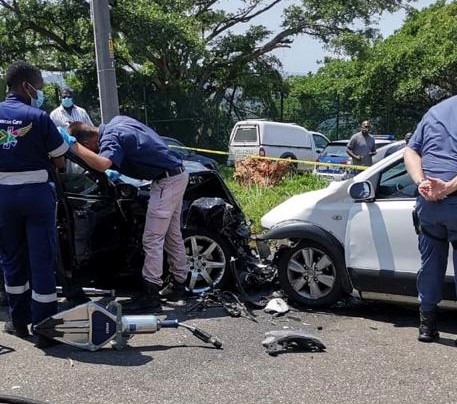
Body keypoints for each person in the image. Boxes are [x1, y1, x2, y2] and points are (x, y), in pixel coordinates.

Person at [67, 117, 189, 313]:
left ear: (87, 143)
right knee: (172, 235)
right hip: (176, 175)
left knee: (152, 239)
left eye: (88, 150)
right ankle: (179, 284)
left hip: (166, 182)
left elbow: (103, 163)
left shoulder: (109, 138)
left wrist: (74, 148)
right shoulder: (117, 121)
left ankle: (151, 294)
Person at [0, 61, 68, 348]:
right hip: (37, 194)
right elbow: (60, 159)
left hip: (3, 195)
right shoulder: (38, 116)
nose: (39, 91)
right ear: (27, 86)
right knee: (41, 260)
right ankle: (45, 329)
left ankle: (19, 323)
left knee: (11, 260)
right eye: (38, 86)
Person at [404, 95, 457, 343]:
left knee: (430, 265)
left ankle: (427, 326)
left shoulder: (434, 111)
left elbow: (411, 150)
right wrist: (446, 188)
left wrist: (421, 182)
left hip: (429, 207)